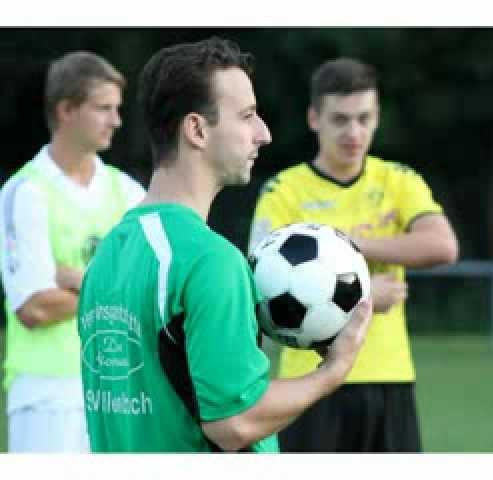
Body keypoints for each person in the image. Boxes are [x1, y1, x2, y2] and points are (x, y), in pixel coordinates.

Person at [76, 37, 372, 453]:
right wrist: (333, 371)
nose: (263, 133)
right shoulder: (209, 260)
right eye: (247, 115)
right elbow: (234, 422)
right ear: (196, 129)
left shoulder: (108, 254)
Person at [249, 58, 459, 452]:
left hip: (389, 378)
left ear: (377, 117)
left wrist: (348, 248)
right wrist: (363, 297)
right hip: (308, 381)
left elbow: (442, 245)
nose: (354, 132)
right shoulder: (284, 190)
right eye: (340, 119)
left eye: (365, 118)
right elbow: (259, 283)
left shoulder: (398, 180)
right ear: (315, 118)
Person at [0, 51, 145, 452]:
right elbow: (34, 308)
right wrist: (114, 285)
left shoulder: (129, 192)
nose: (116, 120)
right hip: (47, 395)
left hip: (121, 387)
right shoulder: (26, 191)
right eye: (103, 108)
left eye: (117, 109)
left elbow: (147, 292)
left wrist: (82, 280)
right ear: (66, 110)